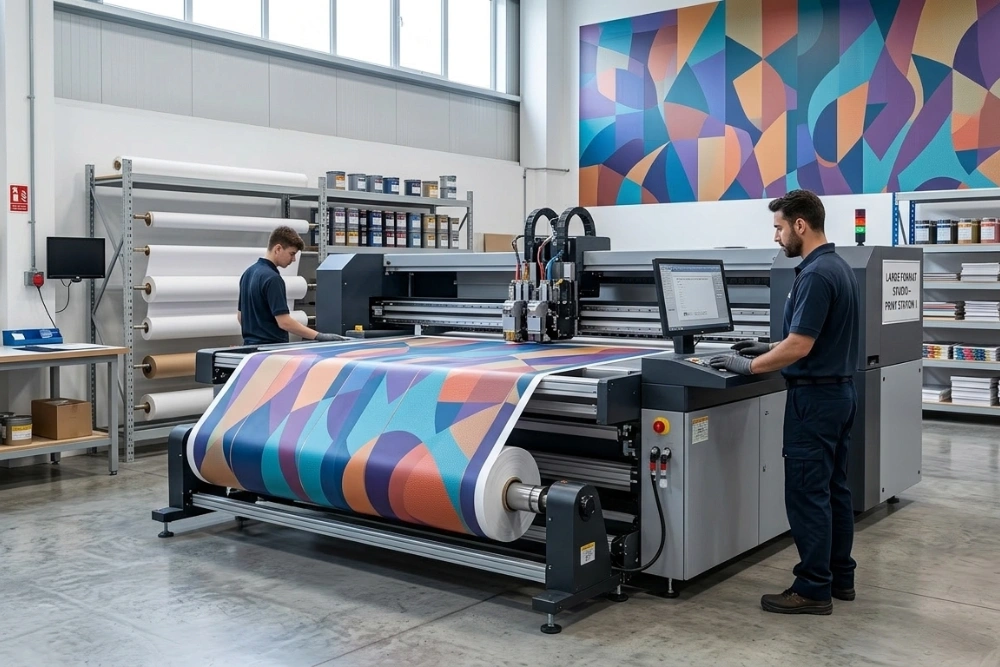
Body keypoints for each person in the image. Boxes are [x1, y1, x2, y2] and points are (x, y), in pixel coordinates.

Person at [708, 189, 860, 616]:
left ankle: (812, 589)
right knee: (834, 490)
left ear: (800, 225)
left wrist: (748, 365)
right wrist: (768, 346)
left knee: (807, 494)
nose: (776, 237)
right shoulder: (838, 267)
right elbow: (808, 338)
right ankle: (840, 578)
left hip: (814, 401)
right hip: (840, 394)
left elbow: (800, 345)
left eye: (779, 228)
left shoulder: (815, 275)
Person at [237, 226, 343, 345]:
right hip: (271, 349)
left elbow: (240, 317)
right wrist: (319, 336)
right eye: (292, 254)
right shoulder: (273, 279)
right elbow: (284, 322)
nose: (293, 259)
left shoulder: (247, 273)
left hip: (249, 348)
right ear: (278, 249)